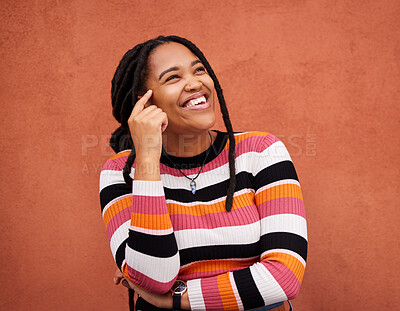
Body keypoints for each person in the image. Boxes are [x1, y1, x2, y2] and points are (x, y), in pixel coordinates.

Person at [99, 35, 307, 311]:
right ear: (146, 104)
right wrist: (147, 157)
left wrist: (177, 298)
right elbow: (153, 279)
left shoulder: (260, 152)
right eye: (173, 78)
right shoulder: (120, 173)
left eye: (199, 70)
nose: (196, 83)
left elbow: (283, 279)